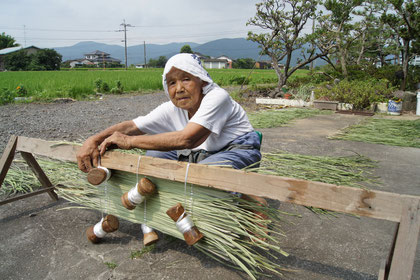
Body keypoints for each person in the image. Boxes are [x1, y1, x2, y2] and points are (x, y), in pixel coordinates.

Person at [76, 53, 262, 172]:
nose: (179, 88)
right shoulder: (172, 108)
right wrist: (93, 140)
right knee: (154, 158)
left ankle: (251, 200)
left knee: (206, 175)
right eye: (172, 83)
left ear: (202, 81)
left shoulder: (217, 97)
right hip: (203, 154)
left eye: (186, 79)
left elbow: (187, 140)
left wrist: (129, 142)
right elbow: (132, 126)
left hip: (237, 150)